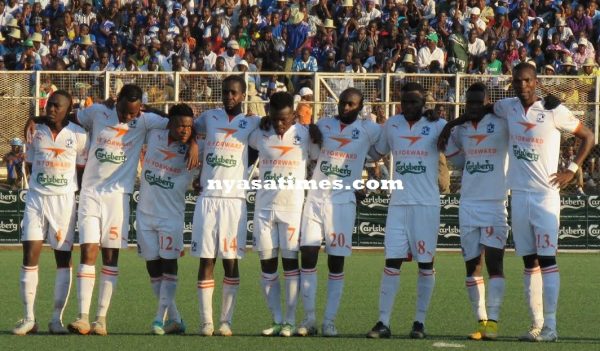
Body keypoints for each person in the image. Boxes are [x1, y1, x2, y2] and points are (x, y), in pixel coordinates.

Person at [67, 85, 197, 336]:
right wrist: (36, 119)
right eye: (126, 112)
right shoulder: (97, 112)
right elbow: (69, 117)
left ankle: (100, 319)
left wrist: (192, 142)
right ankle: (82, 317)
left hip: (119, 196)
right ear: (117, 102)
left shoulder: (144, 120)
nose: (129, 118)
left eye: (134, 113)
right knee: (88, 250)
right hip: (91, 193)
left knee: (111, 257)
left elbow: (180, 123)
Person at [492, 63, 594, 342]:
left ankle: (551, 326)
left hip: (545, 195)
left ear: (536, 82)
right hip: (519, 195)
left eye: (527, 81)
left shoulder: (553, 110)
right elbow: (482, 109)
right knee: (529, 262)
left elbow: (588, 136)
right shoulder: (506, 107)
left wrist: (571, 170)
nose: (522, 86)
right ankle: (536, 325)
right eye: (517, 81)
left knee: (548, 259)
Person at [297, 87, 381, 337]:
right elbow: (312, 150)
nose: (345, 108)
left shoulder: (370, 129)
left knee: (336, 262)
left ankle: (329, 321)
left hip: (343, 203)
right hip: (315, 198)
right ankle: (309, 319)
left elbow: (384, 147)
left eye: (351, 104)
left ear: (361, 106)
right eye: (343, 103)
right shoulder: (323, 125)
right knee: (308, 256)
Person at [365, 82, 445, 339]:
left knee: (425, 264)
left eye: (414, 102)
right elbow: (375, 152)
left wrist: (444, 118)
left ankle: (419, 323)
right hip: (398, 203)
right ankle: (383, 322)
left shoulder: (437, 124)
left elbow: (458, 141)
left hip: (426, 205)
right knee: (391, 262)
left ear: (424, 103)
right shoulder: (392, 125)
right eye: (405, 101)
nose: (409, 106)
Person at [13, 90, 88, 335]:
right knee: (29, 255)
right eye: (49, 105)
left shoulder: (78, 135)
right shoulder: (35, 130)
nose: (51, 109)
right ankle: (28, 318)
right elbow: (31, 163)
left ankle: (56, 319)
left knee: (62, 259)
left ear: (68, 109)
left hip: (64, 202)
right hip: (36, 198)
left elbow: (81, 170)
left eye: (57, 106)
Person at [191, 75, 261, 337]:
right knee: (206, 259)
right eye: (225, 92)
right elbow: (184, 126)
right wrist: (193, 147)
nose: (229, 96)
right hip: (208, 198)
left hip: (234, 201)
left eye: (234, 93)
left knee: (231, 261)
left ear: (243, 95)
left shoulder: (252, 123)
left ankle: (225, 321)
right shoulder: (209, 118)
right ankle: (206, 322)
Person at [439, 82, 509, 340]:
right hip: (468, 203)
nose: (475, 107)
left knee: (495, 264)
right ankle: (480, 322)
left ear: (488, 102)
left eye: (480, 102)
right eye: (470, 102)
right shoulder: (461, 130)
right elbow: (457, 160)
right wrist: (449, 126)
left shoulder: (502, 123)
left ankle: (494, 320)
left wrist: (449, 123)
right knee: (472, 266)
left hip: (494, 203)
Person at [248, 92, 319, 337]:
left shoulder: (306, 134)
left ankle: (290, 320)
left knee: (290, 265)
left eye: (285, 119)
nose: (280, 124)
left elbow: (325, 153)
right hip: (264, 209)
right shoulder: (259, 133)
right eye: (276, 119)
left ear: (294, 115)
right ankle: (276, 319)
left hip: (292, 209)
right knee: (267, 265)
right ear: (269, 113)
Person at [137, 103, 197, 335]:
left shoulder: (196, 144)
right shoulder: (155, 133)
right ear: (169, 124)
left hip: (172, 216)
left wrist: (193, 143)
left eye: (189, 127)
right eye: (180, 125)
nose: (185, 130)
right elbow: (152, 115)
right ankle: (175, 319)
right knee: (153, 267)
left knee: (170, 265)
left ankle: (158, 319)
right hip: (145, 214)